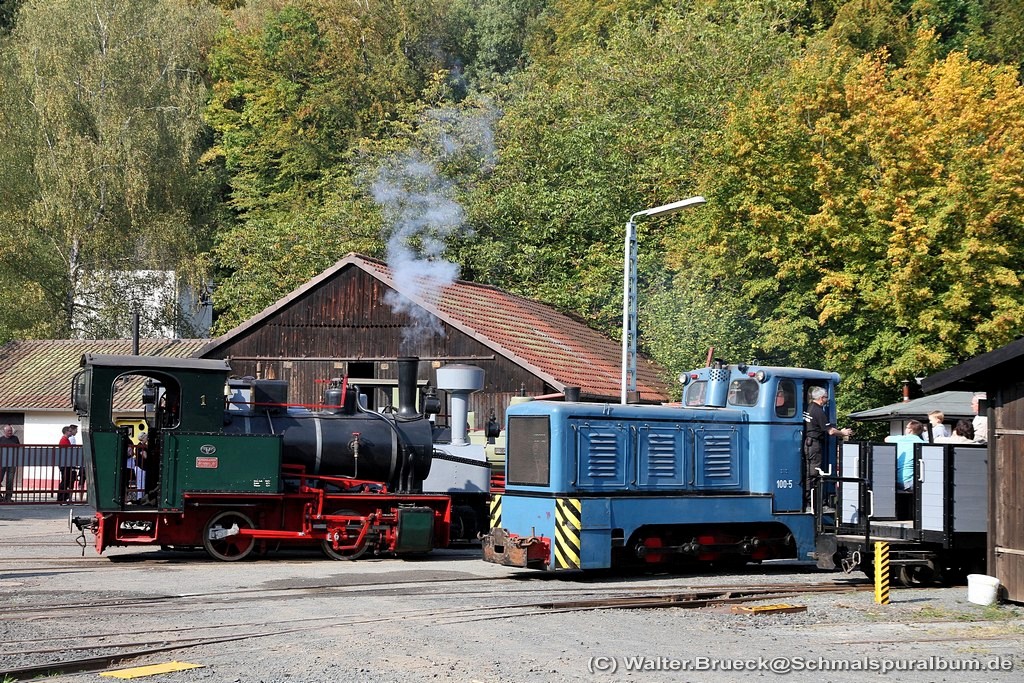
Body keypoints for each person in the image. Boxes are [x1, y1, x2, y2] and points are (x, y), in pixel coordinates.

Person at [803, 386, 852, 512]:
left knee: (810, 472)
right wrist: (843, 432)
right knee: (814, 473)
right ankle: (812, 503)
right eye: (825, 398)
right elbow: (830, 431)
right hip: (814, 444)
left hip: (809, 443)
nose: (826, 400)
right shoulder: (818, 411)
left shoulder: (809, 408)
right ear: (821, 398)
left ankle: (812, 501)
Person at [884, 420, 925, 490]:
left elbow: (886, 439)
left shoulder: (899, 439)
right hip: (909, 482)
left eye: (906, 427)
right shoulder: (923, 443)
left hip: (895, 481)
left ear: (910, 430)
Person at [0, 424, 20, 502]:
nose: (10, 432)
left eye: (11, 430)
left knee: (10, 480)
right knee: (0, 479)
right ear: (4, 431)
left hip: (12, 462)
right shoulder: (1, 439)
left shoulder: (15, 438)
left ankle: (8, 497)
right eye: (8, 431)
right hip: (1, 462)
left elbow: (19, 448)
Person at [127, 432, 147, 502]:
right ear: (143, 438)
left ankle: (142, 499)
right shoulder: (140, 446)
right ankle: (139, 499)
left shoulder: (143, 445)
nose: (147, 438)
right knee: (140, 483)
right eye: (146, 437)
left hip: (142, 467)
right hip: (140, 467)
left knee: (142, 483)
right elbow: (145, 456)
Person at [57, 425, 75, 503]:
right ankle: (61, 498)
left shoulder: (65, 439)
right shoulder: (64, 440)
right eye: (70, 431)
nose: (71, 432)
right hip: (64, 463)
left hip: (65, 462)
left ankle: (63, 497)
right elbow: (67, 451)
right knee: (65, 480)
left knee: (66, 480)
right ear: (66, 432)